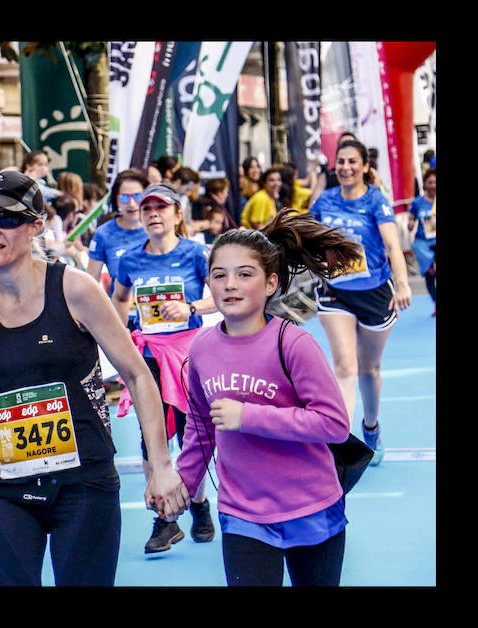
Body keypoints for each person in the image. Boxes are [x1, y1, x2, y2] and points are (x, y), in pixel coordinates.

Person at [0, 170, 188, 586]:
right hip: (4, 486)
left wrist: (160, 464)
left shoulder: (76, 290)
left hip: (83, 482)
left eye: (6, 218)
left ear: (35, 225)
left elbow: (136, 374)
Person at [176, 208, 359, 586]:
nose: (230, 285)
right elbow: (200, 423)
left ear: (271, 283)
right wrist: (184, 483)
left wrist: (249, 416)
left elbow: (335, 424)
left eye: (245, 274)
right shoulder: (202, 349)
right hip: (243, 514)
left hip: (311, 508)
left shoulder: (293, 343)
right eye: (219, 275)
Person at [110, 183, 218, 554]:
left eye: (161, 207)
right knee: (151, 436)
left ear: (177, 214)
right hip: (149, 357)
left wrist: (190, 308)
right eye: (147, 208)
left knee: (192, 434)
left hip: (189, 355)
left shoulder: (196, 253)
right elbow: (120, 300)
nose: (153, 213)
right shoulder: (129, 259)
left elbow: (220, 294)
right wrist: (120, 337)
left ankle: (199, 505)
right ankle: (164, 518)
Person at [308, 139, 413, 465]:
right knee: (345, 367)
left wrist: (403, 284)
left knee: (369, 369)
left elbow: (393, 247)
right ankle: (342, 441)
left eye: (353, 161)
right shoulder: (324, 201)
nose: (346, 167)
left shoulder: (375, 201)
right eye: (341, 161)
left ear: (365, 166)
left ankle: (370, 426)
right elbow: (308, 239)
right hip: (336, 292)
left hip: (375, 293)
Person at [86, 168, 150, 307]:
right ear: (116, 199)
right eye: (124, 197)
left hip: (158, 314)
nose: (131, 204)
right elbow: (90, 282)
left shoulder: (158, 227)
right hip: (121, 315)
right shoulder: (104, 234)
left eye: (137, 196)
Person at [407, 167, 436, 315]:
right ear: (425, 184)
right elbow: (411, 217)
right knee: (429, 275)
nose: (433, 185)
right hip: (423, 242)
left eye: (435, 182)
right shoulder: (418, 202)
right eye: (430, 182)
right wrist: (410, 223)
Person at [309, 131, 357, 205]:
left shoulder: (367, 174)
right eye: (343, 145)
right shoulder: (327, 176)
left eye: (351, 145)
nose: (346, 168)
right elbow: (313, 205)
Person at [192, 177, 236, 244]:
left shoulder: (219, 206)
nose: (227, 195)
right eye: (226, 192)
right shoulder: (205, 206)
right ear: (219, 193)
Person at [240, 165, 284, 229]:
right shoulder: (261, 198)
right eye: (272, 180)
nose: (276, 183)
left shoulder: (271, 198)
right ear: (264, 183)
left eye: (278, 180)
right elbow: (255, 224)